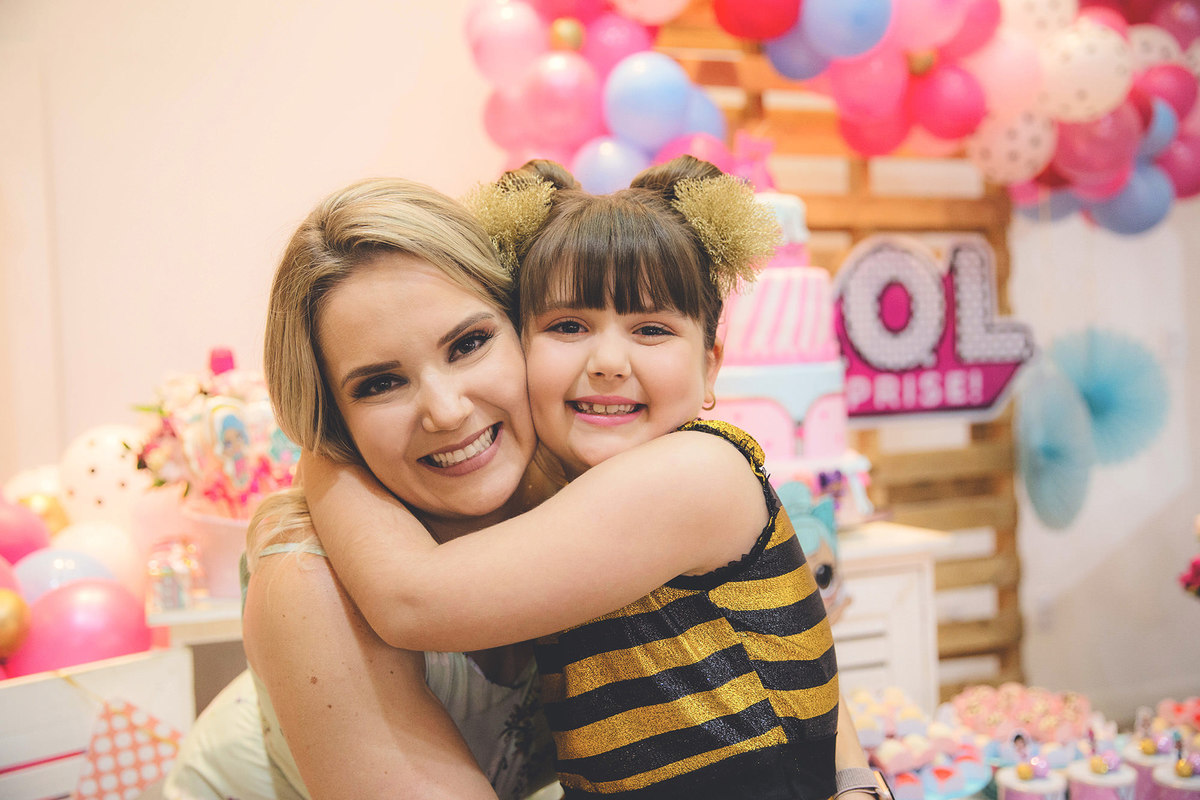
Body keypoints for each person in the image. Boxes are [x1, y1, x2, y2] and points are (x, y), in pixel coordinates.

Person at [303, 157, 879, 800]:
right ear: (521, 342)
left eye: (651, 329)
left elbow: (414, 602)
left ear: (710, 367)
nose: (607, 362)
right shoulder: (566, 491)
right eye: (567, 327)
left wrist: (321, 458)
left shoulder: (695, 472)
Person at [162, 177, 559, 800]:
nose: (446, 411)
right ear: (332, 421)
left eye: (470, 343)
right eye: (379, 384)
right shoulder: (308, 581)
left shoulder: (580, 488)